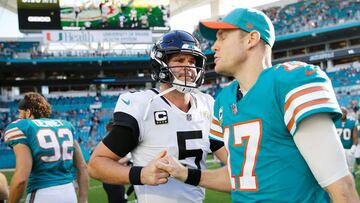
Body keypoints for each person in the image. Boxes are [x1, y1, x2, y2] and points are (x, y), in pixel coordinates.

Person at [156, 8, 359, 202]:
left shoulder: (289, 83)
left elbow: (342, 188)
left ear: (251, 39)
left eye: (222, 37)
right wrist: (183, 173)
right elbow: (241, 177)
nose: (214, 46)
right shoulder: (224, 100)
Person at [88, 30, 228, 203]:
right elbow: (96, 165)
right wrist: (141, 174)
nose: (189, 67)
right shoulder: (143, 106)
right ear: (160, 65)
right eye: (179, 60)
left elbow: (233, 162)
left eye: (192, 61)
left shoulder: (207, 105)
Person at [3, 92, 88, 203]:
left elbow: (21, 179)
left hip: (41, 194)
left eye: (20, 113)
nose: (19, 116)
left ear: (28, 112)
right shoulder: (65, 125)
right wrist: (83, 199)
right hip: (69, 192)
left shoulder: (22, 126)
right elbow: (82, 166)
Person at [102, 120, 128, 203]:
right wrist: (129, 157)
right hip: (112, 178)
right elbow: (111, 162)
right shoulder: (111, 142)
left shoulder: (108, 141)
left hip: (111, 178)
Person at [335, 107, 358, 173]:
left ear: (346, 113)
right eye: (341, 112)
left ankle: (352, 182)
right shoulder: (335, 122)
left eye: (344, 112)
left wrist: (353, 148)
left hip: (348, 149)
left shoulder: (352, 122)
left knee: (350, 170)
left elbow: (355, 138)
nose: (342, 114)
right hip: (338, 149)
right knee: (338, 170)